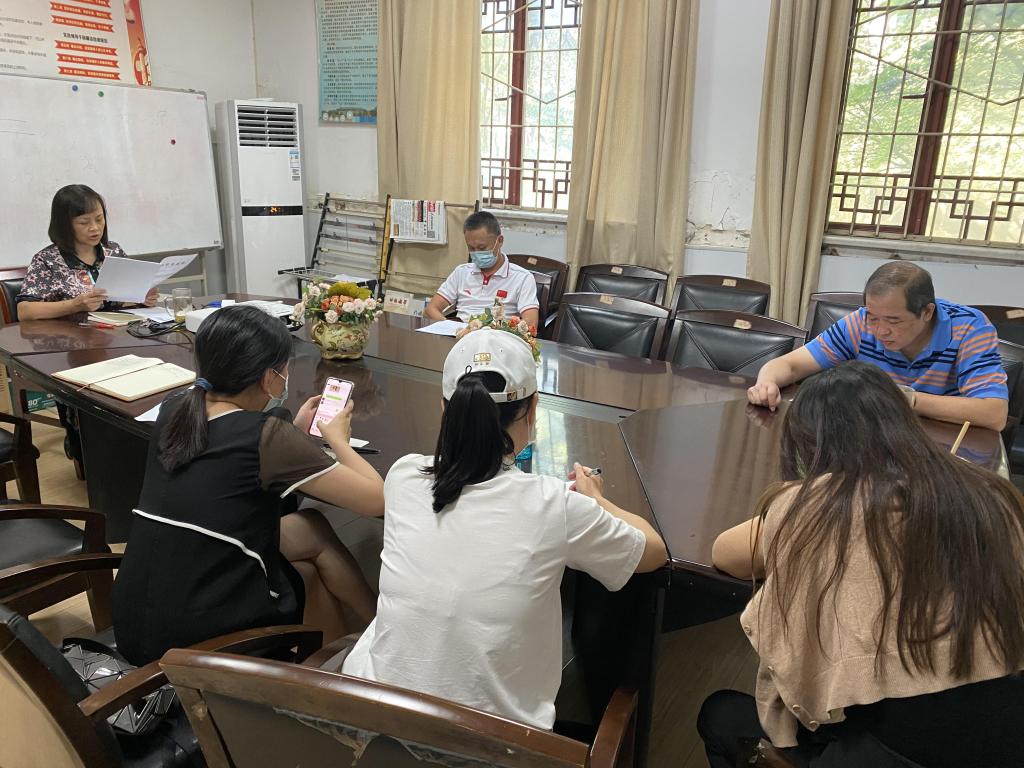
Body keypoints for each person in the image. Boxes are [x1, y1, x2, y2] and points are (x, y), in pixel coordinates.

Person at [341, 326, 667, 729]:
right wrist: (596, 499)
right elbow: (652, 551)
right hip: (496, 746)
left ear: (445, 410)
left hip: (374, 725)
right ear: (533, 410)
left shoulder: (404, 476)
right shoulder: (554, 504)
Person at [701, 361, 1024, 767]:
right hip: (1011, 725)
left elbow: (726, 553)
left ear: (809, 442)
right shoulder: (993, 492)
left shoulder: (818, 506)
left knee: (719, 715)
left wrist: (802, 495)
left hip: (901, 746)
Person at [112, 306, 385, 664]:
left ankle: (365, 641)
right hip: (196, 636)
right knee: (305, 571)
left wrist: (295, 435)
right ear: (270, 378)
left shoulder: (176, 407)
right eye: (285, 369)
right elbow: (377, 500)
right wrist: (338, 439)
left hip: (139, 611)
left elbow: (233, 465)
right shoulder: (267, 436)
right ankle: (378, 640)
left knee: (310, 534)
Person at [747, 262, 1008, 431]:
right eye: (873, 317)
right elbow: (790, 365)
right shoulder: (860, 323)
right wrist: (766, 382)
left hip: (941, 442)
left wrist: (904, 399)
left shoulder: (969, 329)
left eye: (894, 321)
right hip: (875, 437)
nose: (880, 331)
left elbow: (994, 413)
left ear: (927, 312)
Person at [18, 185, 158, 320]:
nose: (95, 228)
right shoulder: (46, 260)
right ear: (65, 225)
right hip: (70, 334)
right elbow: (24, 312)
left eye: (99, 219)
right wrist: (74, 305)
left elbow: (130, 293)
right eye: (84, 222)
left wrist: (143, 297)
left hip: (116, 331)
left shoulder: (113, 251)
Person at [424, 211, 540, 328]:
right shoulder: (461, 273)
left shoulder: (522, 278)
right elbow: (430, 310)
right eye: (471, 248)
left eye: (482, 248)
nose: (476, 253)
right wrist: (451, 328)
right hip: (460, 334)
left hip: (498, 335)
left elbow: (531, 323)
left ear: (499, 241)